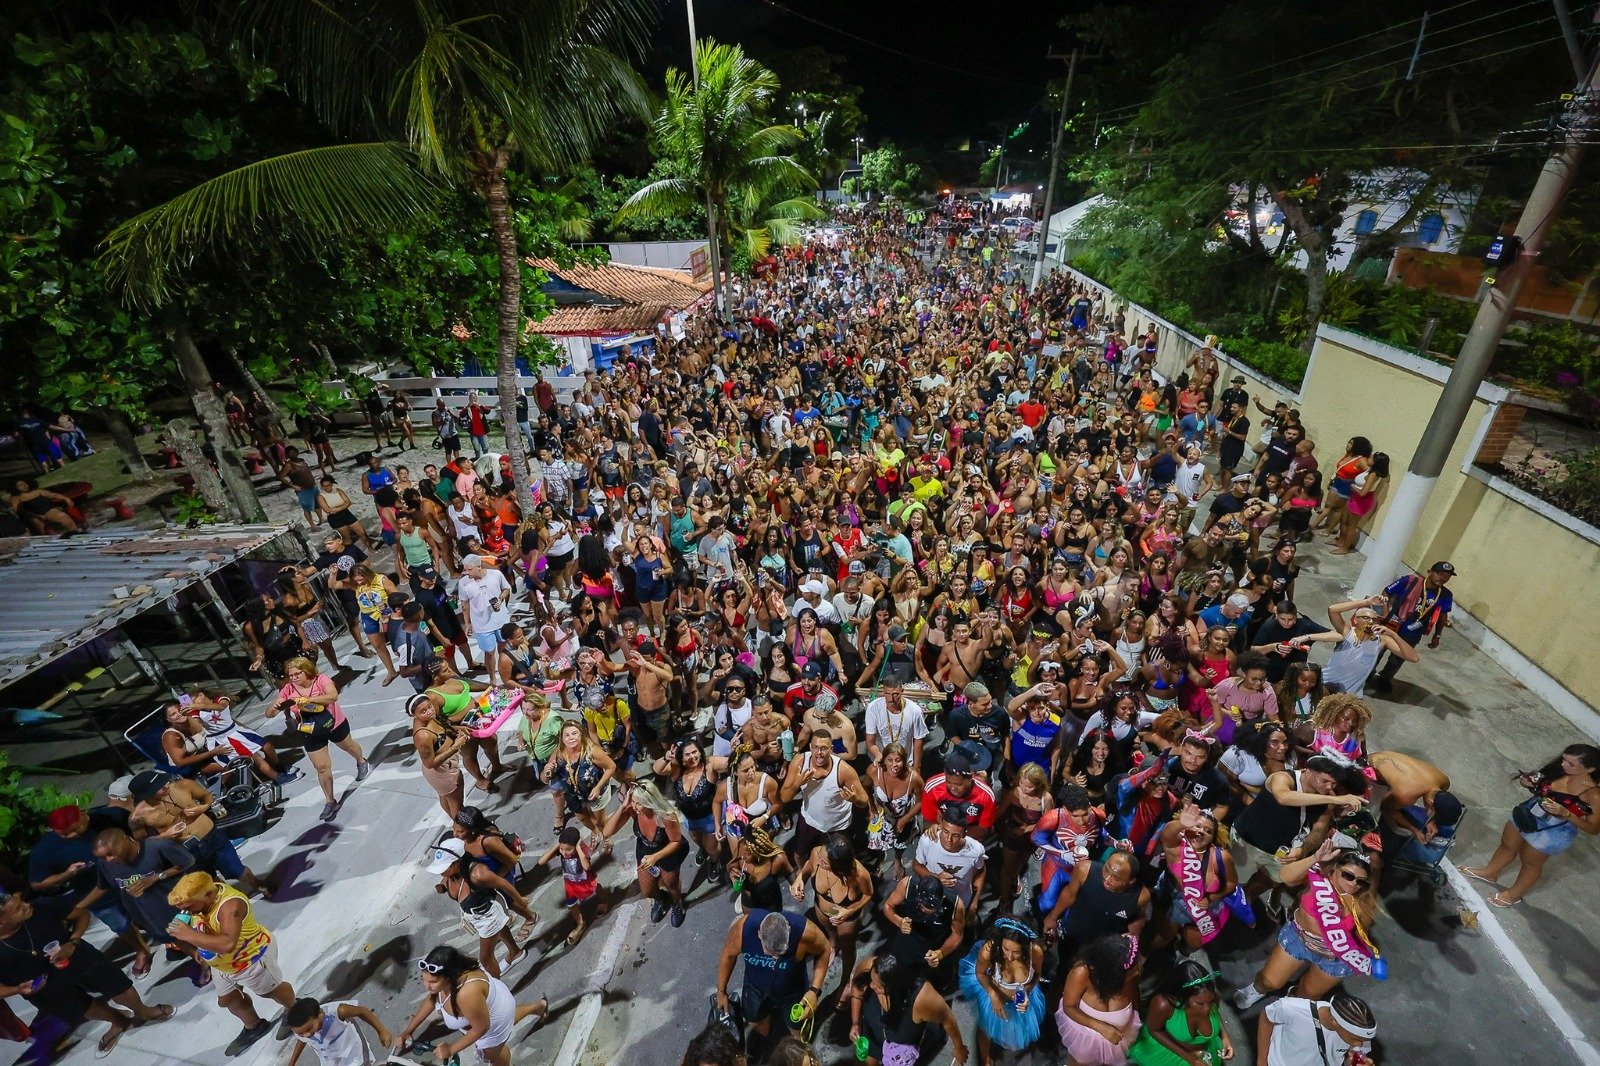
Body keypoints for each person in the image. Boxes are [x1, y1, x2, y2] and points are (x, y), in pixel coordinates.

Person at [0, 888, 173, 1056]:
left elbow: (82, 915)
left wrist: (72, 943)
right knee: (81, 1008)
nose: (26, 905)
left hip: (76, 955)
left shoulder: (41, 906)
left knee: (116, 983)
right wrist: (18, 990)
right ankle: (117, 1020)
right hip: (41, 988)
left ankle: (143, 1010)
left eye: (21, 901)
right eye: (17, 908)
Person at [1234, 840, 1382, 1009]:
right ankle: (1257, 989)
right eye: (1348, 875)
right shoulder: (1319, 879)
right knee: (1270, 981)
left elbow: (1361, 931)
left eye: (1360, 881)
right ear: (1335, 868)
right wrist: (1315, 858)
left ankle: (1292, 1002)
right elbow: (1286, 877)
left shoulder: (1362, 900)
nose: (1353, 884)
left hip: (1335, 955)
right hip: (1299, 938)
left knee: (1308, 994)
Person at [165, 871, 297, 1055]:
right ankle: (254, 1026)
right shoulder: (201, 901)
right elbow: (205, 930)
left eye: (188, 907)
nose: (185, 911)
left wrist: (189, 935)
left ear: (209, 895)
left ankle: (294, 1008)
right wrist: (201, 951)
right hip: (223, 965)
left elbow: (227, 943)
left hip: (250, 959)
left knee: (271, 991)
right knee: (228, 999)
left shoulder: (231, 906)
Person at [1462, 743, 1600, 907]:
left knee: (1531, 863)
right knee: (1507, 845)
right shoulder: (1557, 772)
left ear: (1590, 769)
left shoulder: (1593, 795)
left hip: (1554, 830)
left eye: (1571, 764)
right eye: (1564, 760)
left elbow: (1593, 829)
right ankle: (1490, 872)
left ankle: (1513, 894)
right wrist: (1526, 782)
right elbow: (1539, 786)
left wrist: (1566, 813)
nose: (1563, 765)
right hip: (1529, 812)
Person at [391, 945, 548, 1066]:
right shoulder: (449, 979)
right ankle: (538, 1007)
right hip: (493, 1007)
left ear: (449, 977)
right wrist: (408, 1031)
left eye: (432, 982)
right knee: (508, 1018)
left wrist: (451, 1049)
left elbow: (481, 1028)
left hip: (492, 1020)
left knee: (492, 1056)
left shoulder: (466, 995)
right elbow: (432, 999)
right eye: (424, 979)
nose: (427, 986)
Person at [127, 769, 265, 897]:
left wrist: (202, 808)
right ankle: (232, 900)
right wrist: (164, 836)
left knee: (237, 870)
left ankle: (258, 885)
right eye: (158, 787)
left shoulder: (183, 786)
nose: (165, 786)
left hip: (212, 837)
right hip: (187, 850)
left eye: (164, 782)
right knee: (210, 882)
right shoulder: (138, 817)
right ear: (147, 794)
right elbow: (142, 844)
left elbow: (207, 796)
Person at [713, 909, 833, 1052]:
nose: (775, 958)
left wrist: (814, 991)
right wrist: (721, 991)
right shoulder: (742, 930)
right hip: (756, 987)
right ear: (759, 934)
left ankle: (798, 1051)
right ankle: (770, 1039)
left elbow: (825, 949)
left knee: (797, 1028)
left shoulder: (805, 932)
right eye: (770, 952)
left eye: (780, 953)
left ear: (789, 931)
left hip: (792, 991)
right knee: (755, 1021)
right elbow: (728, 956)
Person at [268, 656, 370, 822]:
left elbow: (332, 696)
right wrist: (276, 705)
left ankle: (361, 761)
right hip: (310, 731)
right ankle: (330, 801)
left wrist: (308, 700)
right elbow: (268, 714)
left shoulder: (321, 679)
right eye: (290, 675)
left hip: (333, 723)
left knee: (349, 746)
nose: (293, 678)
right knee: (322, 767)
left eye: (297, 674)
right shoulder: (288, 689)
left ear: (306, 670)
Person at [426, 837, 530, 977]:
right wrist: (443, 887)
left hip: (488, 916)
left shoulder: (478, 874)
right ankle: (515, 952)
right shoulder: (450, 875)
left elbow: (503, 884)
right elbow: (448, 883)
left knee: (486, 959)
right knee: (500, 930)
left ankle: (498, 992)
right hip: (475, 914)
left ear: (457, 863)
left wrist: (520, 900)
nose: (441, 872)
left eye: (444, 867)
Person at [843, 952, 969, 1066]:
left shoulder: (922, 999)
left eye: (879, 986)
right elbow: (857, 988)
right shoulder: (870, 966)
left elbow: (947, 1017)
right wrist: (855, 1022)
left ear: (895, 988)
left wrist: (959, 1050)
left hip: (901, 1049)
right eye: (871, 980)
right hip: (872, 1034)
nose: (871, 986)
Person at [1290, 596, 1416, 699]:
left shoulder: (1382, 640)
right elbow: (1332, 609)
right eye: (1366, 618)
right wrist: (1366, 602)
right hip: (1326, 685)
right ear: (1356, 620)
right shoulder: (1347, 632)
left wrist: (1393, 634)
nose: (1370, 622)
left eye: (1373, 619)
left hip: (1350, 694)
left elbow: (1413, 658)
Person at [957, 918, 1046, 1063]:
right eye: (1006, 949)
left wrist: (1026, 991)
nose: (1010, 956)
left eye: (1016, 952)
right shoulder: (989, 950)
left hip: (1018, 998)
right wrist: (993, 995)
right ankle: (985, 1059)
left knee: (1011, 1027)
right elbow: (980, 973)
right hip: (993, 994)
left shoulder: (1035, 952)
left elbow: (1037, 974)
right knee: (986, 1029)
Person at [603, 780, 689, 927]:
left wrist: (655, 857)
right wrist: (622, 807)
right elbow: (607, 831)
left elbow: (676, 841)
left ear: (650, 801)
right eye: (634, 801)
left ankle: (677, 903)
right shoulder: (633, 810)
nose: (635, 806)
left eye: (639, 803)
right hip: (645, 850)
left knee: (671, 884)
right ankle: (661, 900)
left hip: (667, 851)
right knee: (647, 890)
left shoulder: (666, 815)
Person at [1056, 933, 1143, 1066]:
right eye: (1131, 971)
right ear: (1109, 972)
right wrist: (1101, 1027)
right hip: (1085, 1037)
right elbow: (1069, 1006)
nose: (1137, 971)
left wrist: (1134, 1019)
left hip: (1117, 1040)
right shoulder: (1082, 973)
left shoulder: (1130, 974)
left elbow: (1135, 998)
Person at [1126, 960, 1231, 1066]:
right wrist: (1189, 1057)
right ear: (1182, 996)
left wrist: (1225, 1038)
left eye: (1210, 1002)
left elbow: (1215, 1014)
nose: (1207, 1009)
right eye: (1199, 1004)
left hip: (1206, 1053)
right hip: (1170, 1054)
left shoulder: (1213, 995)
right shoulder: (1163, 1004)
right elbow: (1155, 1030)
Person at [1372, 560, 1455, 693]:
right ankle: (1368, 673)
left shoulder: (1445, 595)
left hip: (1412, 632)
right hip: (1393, 624)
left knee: (1398, 658)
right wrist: (1385, 612)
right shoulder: (1409, 581)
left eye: (1447, 576)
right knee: (1377, 650)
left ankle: (1385, 678)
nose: (1442, 578)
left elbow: (1442, 616)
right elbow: (1386, 592)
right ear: (1429, 572)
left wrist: (1437, 635)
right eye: (1439, 573)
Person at [1258, 992, 1376, 1066]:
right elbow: (1267, 1018)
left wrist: (1357, 1060)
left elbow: (1355, 1052)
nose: (1360, 1044)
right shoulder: (1291, 1008)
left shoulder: (1356, 1032)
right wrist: (1261, 1062)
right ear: (1334, 1021)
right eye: (1355, 1039)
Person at [284, 996, 393, 1066]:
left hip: (354, 1053)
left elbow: (362, 1011)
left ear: (320, 1014)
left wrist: (381, 1031)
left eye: (309, 1029)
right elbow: (302, 1040)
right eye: (300, 1033)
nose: (306, 1035)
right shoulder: (300, 1028)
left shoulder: (338, 1011)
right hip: (331, 1060)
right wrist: (292, 1062)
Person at [459, 554, 515, 687]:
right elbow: (464, 604)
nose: (467, 573)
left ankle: (505, 672)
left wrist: (501, 599)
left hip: (500, 620)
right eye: (465, 570)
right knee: (489, 652)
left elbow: (506, 589)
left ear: (479, 566)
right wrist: (467, 624)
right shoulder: (463, 583)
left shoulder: (496, 574)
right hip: (481, 624)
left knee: (503, 647)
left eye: (469, 569)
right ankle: (492, 679)